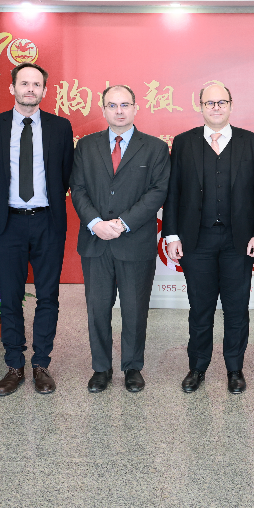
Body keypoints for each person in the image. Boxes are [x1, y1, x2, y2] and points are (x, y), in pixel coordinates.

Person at [163, 82, 254, 395]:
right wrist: (172, 234)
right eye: (209, 103)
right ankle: (197, 367)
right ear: (200, 106)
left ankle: (234, 368)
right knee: (200, 309)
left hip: (239, 242)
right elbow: (173, 193)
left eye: (221, 102)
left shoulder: (252, 143)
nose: (216, 108)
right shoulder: (183, 143)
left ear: (231, 105)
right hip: (196, 241)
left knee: (237, 309)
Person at [0, 63, 75, 396]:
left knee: (48, 296)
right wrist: (5, 204)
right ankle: (14, 366)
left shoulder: (60, 127)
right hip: (8, 222)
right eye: (24, 83)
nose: (30, 89)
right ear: (12, 88)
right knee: (10, 296)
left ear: (45, 90)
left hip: (48, 221)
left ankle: (41, 364)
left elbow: (65, 172)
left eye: (36, 84)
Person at [70, 84, 170, 394]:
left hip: (134, 242)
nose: (119, 111)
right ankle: (101, 368)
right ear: (103, 110)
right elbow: (78, 188)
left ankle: (132, 367)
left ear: (136, 108)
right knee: (97, 309)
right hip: (96, 241)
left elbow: (157, 192)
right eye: (112, 105)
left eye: (125, 104)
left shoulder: (155, 147)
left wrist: (123, 223)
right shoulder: (86, 146)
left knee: (134, 309)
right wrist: (95, 223)